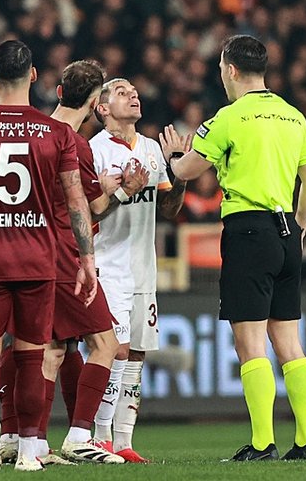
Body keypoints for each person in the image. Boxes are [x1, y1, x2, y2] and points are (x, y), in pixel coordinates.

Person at [161, 35, 306, 461]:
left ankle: (263, 443)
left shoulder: (229, 118)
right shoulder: (294, 116)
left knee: (250, 342)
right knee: (289, 342)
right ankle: (305, 442)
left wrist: (173, 159)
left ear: (230, 70)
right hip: (287, 229)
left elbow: (190, 169)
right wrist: (299, 229)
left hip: (248, 230)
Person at [0, 40, 98, 471]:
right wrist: (86, 260)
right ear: (33, 76)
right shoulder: (57, 133)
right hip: (39, 259)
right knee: (33, 354)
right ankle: (30, 450)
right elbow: (77, 201)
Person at [0, 60, 149, 465]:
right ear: (96, 101)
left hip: (22, 248)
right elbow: (90, 208)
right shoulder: (72, 143)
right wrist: (122, 191)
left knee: (47, 348)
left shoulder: (35, 132)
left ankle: (25, 439)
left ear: (59, 92)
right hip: (62, 255)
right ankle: (81, 436)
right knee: (105, 343)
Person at [89, 77, 187, 463]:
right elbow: (92, 210)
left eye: (135, 92)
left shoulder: (150, 149)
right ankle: (99, 438)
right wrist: (122, 192)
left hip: (143, 268)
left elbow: (169, 210)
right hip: (106, 266)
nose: (133, 96)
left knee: (137, 355)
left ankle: (125, 442)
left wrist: (177, 173)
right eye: (122, 92)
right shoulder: (92, 150)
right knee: (113, 350)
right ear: (101, 107)